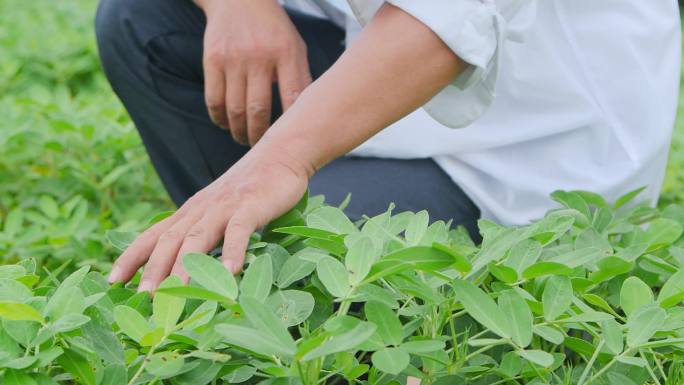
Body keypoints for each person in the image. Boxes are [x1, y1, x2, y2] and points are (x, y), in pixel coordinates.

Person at [96, 0, 681, 291]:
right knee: (143, 19)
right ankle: (234, 259)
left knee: (301, 254)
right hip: (364, 55)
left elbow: (446, 21)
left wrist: (279, 158)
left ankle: (268, 269)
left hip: (526, 141)